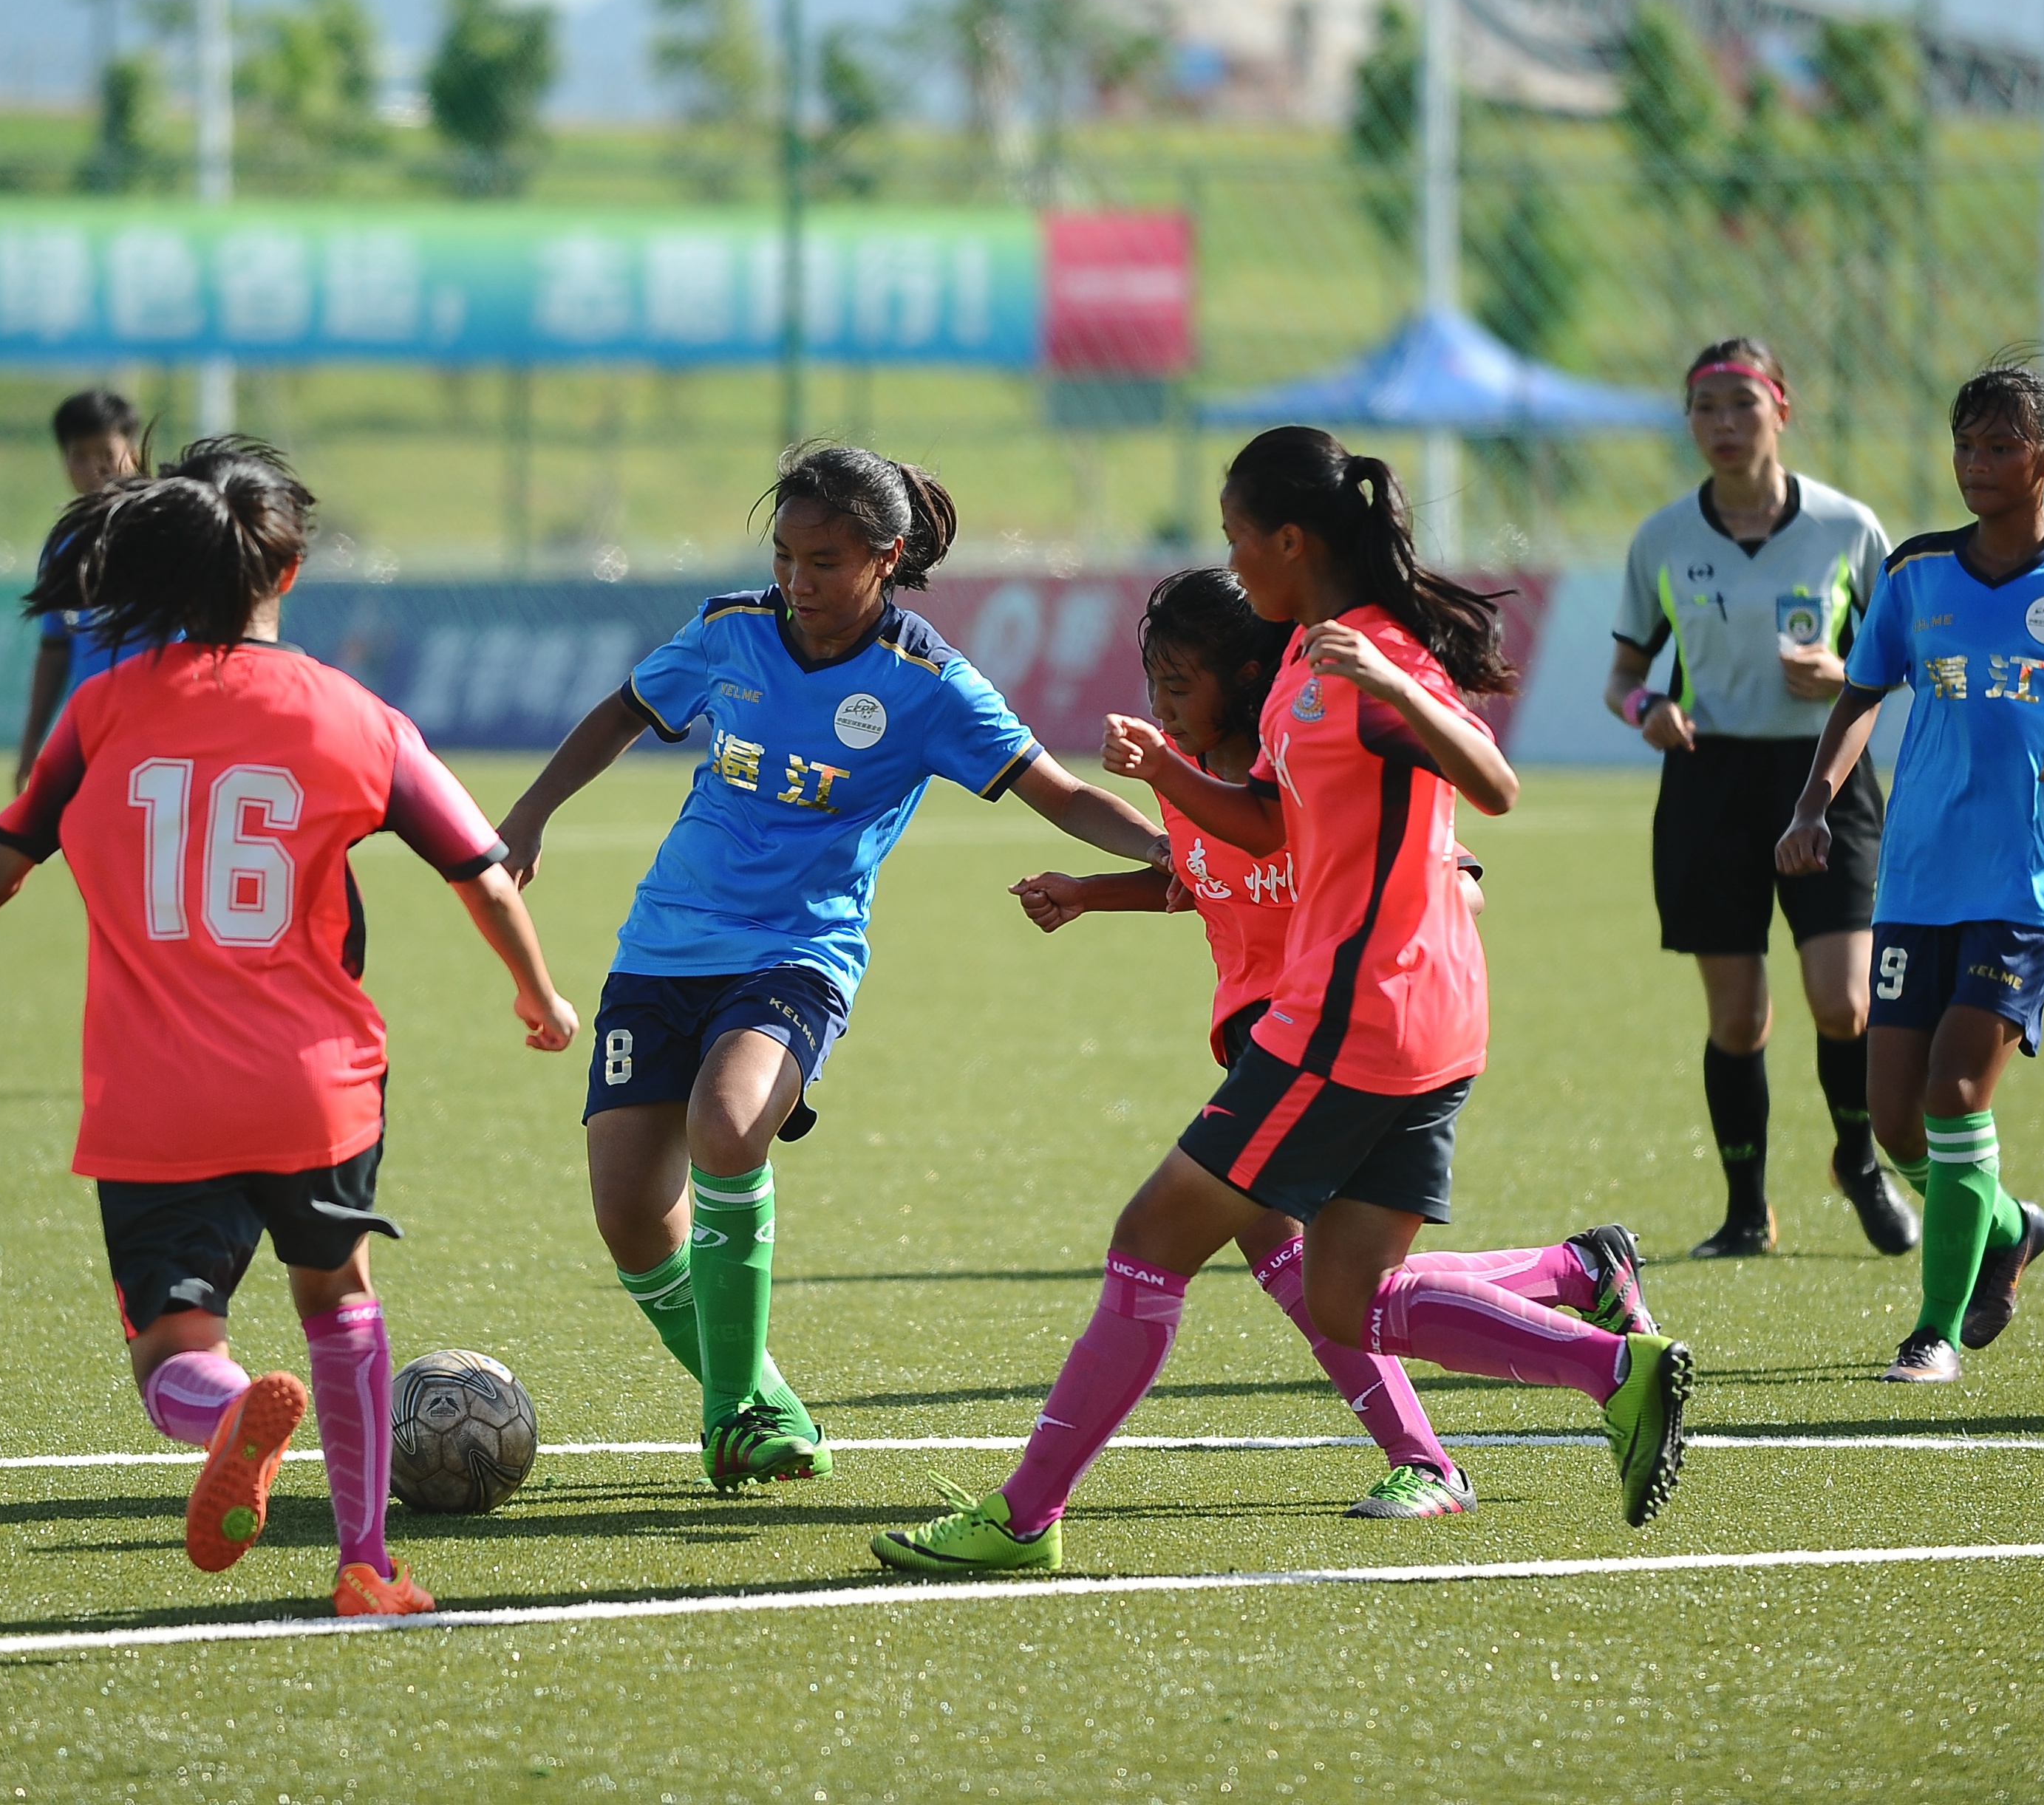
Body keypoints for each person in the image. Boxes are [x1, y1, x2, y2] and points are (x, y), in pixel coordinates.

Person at [871, 428, 1694, 1577]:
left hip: (1350, 1016)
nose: (1232, 558)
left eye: (1237, 536)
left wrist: (1399, 690)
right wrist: (1164, 781)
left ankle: (1022, 1519)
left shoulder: (1368, 659)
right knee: (1348, 1297)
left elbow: (1494, 785)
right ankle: (1608, 1363)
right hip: (1409, 1016)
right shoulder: (1306, 663)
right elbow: (1263, 831)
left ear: (1292, 541)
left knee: (1151, 1242)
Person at [0, 437, 579, 1617]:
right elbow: (481, 873)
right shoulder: (356, 716)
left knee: (171, 1345)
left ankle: (226, 1413)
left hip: (154, 1094)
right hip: (315, 1082)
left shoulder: (102, 709)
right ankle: (366, 1566)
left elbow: (2, 867)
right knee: (339, 1301)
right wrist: (539, 993)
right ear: (289, 570)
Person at [495, 442, 1171, 1492]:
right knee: (629, 1218)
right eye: (784, 556)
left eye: (823, 562)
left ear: (885, 559)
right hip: (664, 944)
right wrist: (531, 814)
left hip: (797, 953)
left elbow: (1059, 791)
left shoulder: (928, 685)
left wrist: (1171, 850)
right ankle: (766, 1397)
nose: (796, 581)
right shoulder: (729, 631)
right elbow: (626, 709)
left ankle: (728, 1412)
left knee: (728, 1127)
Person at [1007, 567, 1658, 1523]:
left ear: (1244, 678)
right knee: (1328, 1276)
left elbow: (1451, 877)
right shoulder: (1184, 772)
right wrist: (1088, 893)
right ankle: (1574, 1276)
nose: (1160, 704)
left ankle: (1431, 1455)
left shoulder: (1311, 759)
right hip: (1267, 1042)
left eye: (1179, 684)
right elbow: (1206, 876)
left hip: (1342, 1040)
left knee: (1258, 1253)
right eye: (1153, 683)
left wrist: (1409, 921)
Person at [1779, 365, 2044, 1384]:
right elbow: (1861, 693)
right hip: (1918, 875)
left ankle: (1933, 1331)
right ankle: (2009, 1227)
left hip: (2028, 880)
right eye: (1964, 446)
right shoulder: (1917, 572)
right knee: (1893, 1121)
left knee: (1956, 1092)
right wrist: (1811, 807)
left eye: (2000, 447)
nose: (1975, 464)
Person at [1607, 338, 1913, 1261]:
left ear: (1782, 409)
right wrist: (1646, 709)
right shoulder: (1662, 539)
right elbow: (1622, 675)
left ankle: (1858, 1162)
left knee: (1843, 1002)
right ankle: (1745, 1211)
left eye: (1742, 404)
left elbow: (1904, 656)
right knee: (1737, 1017)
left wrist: (1843, 673)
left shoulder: (1846, 527)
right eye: (1705, 409)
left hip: (1824, 778)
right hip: (1707, 783)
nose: (1724, 425)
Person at [16, 387, 150, 790]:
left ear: (133, 452)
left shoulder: (168, 529)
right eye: (80, 457)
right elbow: (55, 648)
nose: (95, 470)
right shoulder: (63, 546)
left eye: (107, 455)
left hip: (165, 729)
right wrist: (32, 743)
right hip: (92, 734)